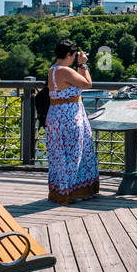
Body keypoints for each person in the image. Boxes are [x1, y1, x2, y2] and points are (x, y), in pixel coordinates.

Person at [45, 40, 99, 204]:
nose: (75, 58)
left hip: (55, 116)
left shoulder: (52, 70)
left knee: (60, 156)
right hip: (69, 118)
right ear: (69, 55)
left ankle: (61, 190)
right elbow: (88, 84)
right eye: (74, 56)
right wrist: (83, 65)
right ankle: (72, 192)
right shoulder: (65, 71)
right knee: (74, 154)